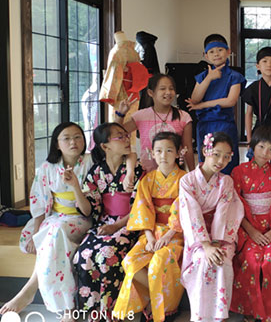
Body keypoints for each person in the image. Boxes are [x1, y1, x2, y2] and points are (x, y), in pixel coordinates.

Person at [0, 123, 93, 321]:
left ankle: (30, 289)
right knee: (54, 237)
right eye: (66, 138)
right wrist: (36, 234)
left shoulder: (91, 162)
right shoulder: (47, 168)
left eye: (78, 137)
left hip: (83, 218)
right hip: (55, 218)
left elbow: (92, 204)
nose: (73, 142)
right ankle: (68, 305)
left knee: (55, 233)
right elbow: (39, 203)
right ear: (57, 144)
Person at [113, 132, 186, 322]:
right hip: (152, 232)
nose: (163, 155)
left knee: (159, 261)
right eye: (158, 151)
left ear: (178, 152)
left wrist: (168, 236)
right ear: (152, 153)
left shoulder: (185, 179)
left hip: (177, 233)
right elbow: (143, 209)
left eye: (169, 150)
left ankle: (165, 309)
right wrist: (151, 237)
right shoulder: (147, 180)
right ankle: (157, 301)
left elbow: (185, 212)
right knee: (129, 262)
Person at [73, 123, 143, 320]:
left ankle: (111, 311)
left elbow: (140, 206)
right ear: (105, 146)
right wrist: (75, 187)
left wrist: (116, 226)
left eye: (126, 135)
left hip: (129, 223)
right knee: (83, 255)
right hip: (104, 222)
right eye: (120, 137)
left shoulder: (136, 169)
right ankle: (92, 310)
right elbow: (89, 209)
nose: (127, 139)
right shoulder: (96, 171)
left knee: (107, 255)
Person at [178, 131, 244, 322]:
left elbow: (224, 214)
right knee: (202, 260)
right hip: (197, 238)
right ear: (205, 151)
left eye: (226, 156)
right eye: (216, 154)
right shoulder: (187, 180)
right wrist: (205, 245)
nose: (221, 161)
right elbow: (191, 213)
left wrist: (215, 243)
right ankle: (200, 316)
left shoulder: (226, 182)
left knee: (222, 260)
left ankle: (220, 315)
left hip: (220, 237)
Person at [230, 125, 271, 322]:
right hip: (248, 229)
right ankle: (249, 311)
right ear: (253, 145)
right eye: (261, 146)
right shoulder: (238, 172)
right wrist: (251, 231)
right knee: (252, 261)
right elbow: (235, 205)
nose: (265, 153)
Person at [187, 34, 246, 174]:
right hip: (205, 125)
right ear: (206, 55)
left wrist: (203, 105)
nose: (216, 54)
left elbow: (230, 101)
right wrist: (209, 78)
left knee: (227, 162)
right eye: (212, 51)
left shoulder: (235, 76)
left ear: (228, 51)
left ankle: (228, 187)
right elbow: (194, 99)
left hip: (225, 124)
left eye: (220, 50)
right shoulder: (203, 76)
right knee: (206, 162)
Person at [115, 73, 195, 171]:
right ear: (150, 93)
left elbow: (188, 148)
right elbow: (116, 134)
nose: (168, 92)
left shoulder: (184, 117)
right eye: (162, 89)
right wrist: (120, 114)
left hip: (175, 174)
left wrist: (193, 174)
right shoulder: (141, 115)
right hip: (147, 173)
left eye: (171, 89)